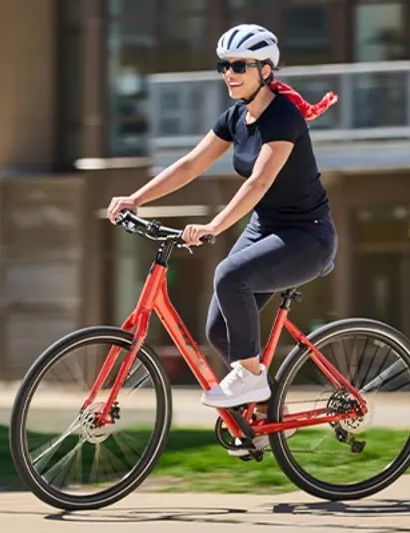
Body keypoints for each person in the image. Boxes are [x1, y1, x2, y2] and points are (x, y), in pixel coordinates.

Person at [107, 23, 338, 454]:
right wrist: (136, 198)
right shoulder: (236, 117)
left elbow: (259, 182)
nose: (228, 74)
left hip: (307, 237)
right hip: (265, 229)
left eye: (238, 66)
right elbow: (191, 164)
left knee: (230, 275)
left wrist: (215, 226)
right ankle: (268, 415)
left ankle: (251, 380)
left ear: (265, 70)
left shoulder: (282, 117)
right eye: (223, 66)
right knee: (218, 331)